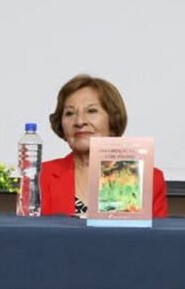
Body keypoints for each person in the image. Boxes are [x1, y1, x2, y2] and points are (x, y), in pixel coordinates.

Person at [41, 75, 168, 217]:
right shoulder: (40, 176)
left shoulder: (146, 178)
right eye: (69, 113)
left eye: (91, 111)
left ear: (112, 120)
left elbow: (151, 238)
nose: (79, 121)